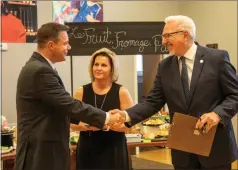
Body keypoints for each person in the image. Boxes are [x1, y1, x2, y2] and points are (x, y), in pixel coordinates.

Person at [112, 15, 238, 169]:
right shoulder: (165, 66)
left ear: (185, 35)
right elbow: (152, 102)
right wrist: (126, 115)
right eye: (163, 37)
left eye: (167, 36)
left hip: (215, 149)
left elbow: (235, 95)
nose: (163, 41)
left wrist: (217, 114)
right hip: (183, 151)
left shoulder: (217, 59)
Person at [15, 22, 123, 170]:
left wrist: (88, 123)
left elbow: (59, 108)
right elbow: (69, 105)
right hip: (41, 155)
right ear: (51, 45)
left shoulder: (38, 67)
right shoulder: (40, 71)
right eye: (65, 43)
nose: (69, 47)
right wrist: (107, 117)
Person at [70, 48, 134, 170]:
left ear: (112, 69)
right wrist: (90, 126)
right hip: (87, 149)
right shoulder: (81, 92)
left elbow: (130, 125)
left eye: (104, 65)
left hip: (114, 149)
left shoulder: (122, 92)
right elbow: (72, 124)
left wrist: (107, 125)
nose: (98, 68)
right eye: (96, 64)